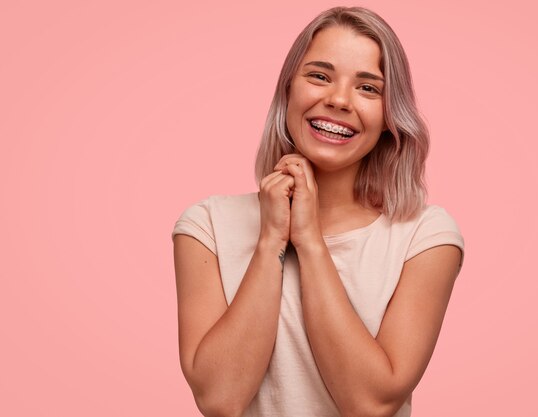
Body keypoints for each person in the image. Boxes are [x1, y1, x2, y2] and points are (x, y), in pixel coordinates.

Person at [171, 6, 465, 417]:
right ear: (288, 89)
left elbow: (370, 404)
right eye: (320, 76)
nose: (339, 100)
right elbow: (220, 399)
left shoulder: (425, 236)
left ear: (388, 117)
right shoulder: (207, 226)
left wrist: (308, 240)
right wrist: (272, 238)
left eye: (368, 88)